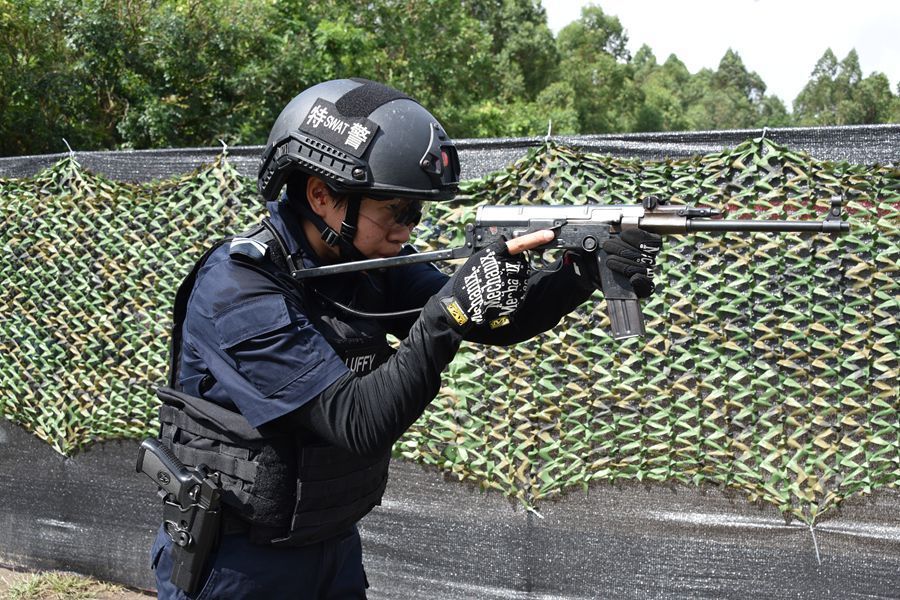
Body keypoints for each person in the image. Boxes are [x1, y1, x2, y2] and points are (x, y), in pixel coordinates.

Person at [149, 78, 661, 599]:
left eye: (415, 213)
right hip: (239, 563)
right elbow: (359, 421)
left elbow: (489, 320)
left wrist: (578, 273)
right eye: (395, 210)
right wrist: (447, 315)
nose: (407, 230)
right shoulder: (237, 288)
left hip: (331, 544)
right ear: (321, 195)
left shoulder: (364, 262)